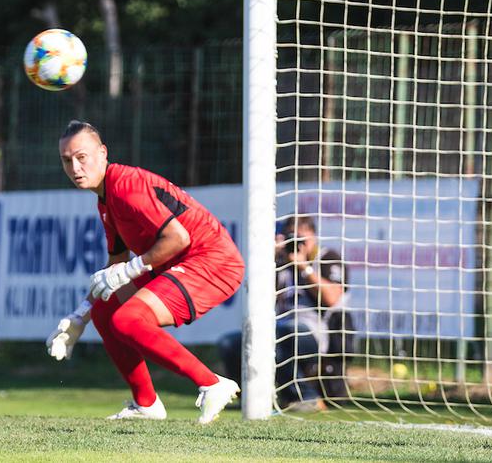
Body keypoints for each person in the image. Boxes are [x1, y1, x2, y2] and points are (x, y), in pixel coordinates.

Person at [45, 120, 245, 424]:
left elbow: (179, 238)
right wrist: (79, 316)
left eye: (81, 157)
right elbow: (115, 264)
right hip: (180, 261)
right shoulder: (106, 199)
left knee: (128, 319)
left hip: (211, 261)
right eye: (66, 160)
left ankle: (213, 383)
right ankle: (147, 404)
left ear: (102, 153)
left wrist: (132, 269)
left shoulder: (125, 185)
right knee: (105, 310)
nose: (75, 167)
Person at [218, 215, 351, 412]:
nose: (296, 245)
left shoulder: (326, 257)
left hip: (315, 332)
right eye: (292, 240)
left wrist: (303, 267)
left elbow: (332, 298)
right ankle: (249, 396)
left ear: (313, 237)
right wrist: (268, 261)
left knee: (282, 336)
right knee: (230, 343)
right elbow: (258, 298)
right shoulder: (279, 262)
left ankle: (305, 396)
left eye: (301, 240)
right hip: (280, 325)